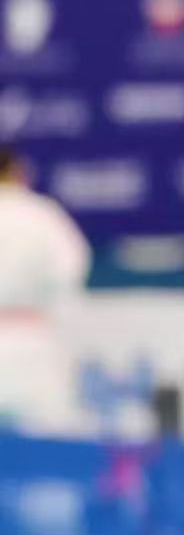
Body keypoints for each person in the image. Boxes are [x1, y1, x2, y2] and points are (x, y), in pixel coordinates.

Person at [0, 145, 91, 431]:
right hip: (30, 338)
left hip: (30, 332)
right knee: (45, 439)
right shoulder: (42, 214)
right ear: (17, 172)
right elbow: (71, 270)